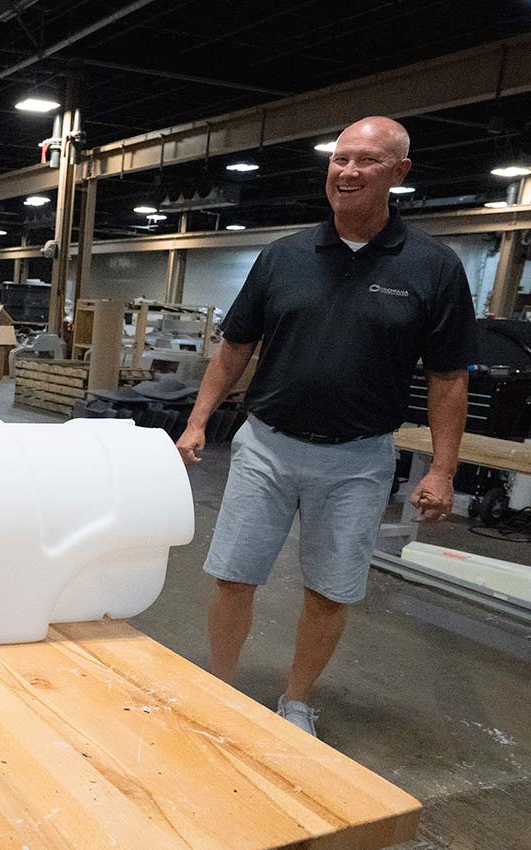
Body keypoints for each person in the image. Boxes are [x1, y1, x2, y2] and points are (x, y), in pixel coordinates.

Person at [175, 117, 478, 738]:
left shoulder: (433, 266)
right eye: (340, 159)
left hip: (360, 457)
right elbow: (234, 347)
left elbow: (449, 377)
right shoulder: (283, 255)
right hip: (265, 444)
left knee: (331, 589)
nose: (347, 171)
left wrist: (444, 469)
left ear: (400, 173)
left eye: (366, 161)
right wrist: (198, 421)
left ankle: (298, 701)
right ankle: (221, 689)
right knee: (234, 574)